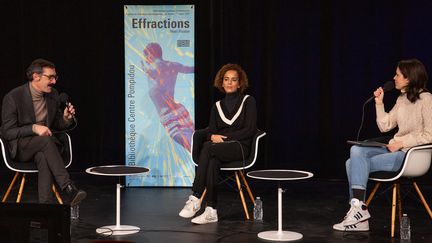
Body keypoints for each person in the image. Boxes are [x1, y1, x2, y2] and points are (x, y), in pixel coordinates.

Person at [333, 59, 432, 231]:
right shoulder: (402, 99)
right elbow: (385, 125)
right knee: (356, 150)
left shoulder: (426, 99)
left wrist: (402, 143)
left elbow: (430, 134)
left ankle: (360, 216)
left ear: (409, 78)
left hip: (410, 155)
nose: (394, 78)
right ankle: (360, 210)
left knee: (352, 164)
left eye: (398, 75)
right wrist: (379, 104)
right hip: (395, 149)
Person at [0, 58, 86, 206]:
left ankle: (45, 208)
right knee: (46, 141)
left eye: (55, 77)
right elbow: (7, 132)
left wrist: (65, 118)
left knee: (43, 157)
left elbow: (57, 124)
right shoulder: (13, 97)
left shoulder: (53, 95)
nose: (54, 81)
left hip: (46, 148)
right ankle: (67, 187)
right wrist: (34, 128)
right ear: (36, 77)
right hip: (23, 148)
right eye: (50, 77)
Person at [178, 63, 257, 224]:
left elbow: (249, 130)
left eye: (234, 80)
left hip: (240, 147)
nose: (229, 83)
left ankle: (196, 196)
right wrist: (212, 136)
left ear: (240, 83)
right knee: (212, 161)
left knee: (208, 148)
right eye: (226, 79)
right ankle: (211, 210)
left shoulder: (248, 101)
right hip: (219, 149)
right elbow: (210, 131)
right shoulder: (217, 106)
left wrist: (224, 139)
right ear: (221, 83)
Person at [141, 42, 194, 153]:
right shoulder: (172, 65)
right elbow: (190, 69)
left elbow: (154, 72)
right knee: (194, 146)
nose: (145, 58)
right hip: (179, 111)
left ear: (151, 54)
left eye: (146, 55)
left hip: (169, 116)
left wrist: (146, 69)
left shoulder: (153, 70)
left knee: (193, 148)